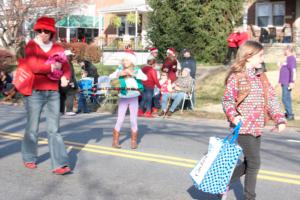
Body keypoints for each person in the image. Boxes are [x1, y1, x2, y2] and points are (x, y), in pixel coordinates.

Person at [222, 40, 286, 200]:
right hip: (243, 128)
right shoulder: (237, 77)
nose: (262, 59)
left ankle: (221, 181)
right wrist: (234, 115)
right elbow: (227, 100)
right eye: (260, 55)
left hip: (257, 127)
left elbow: (271, 98)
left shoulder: (260, 76)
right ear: (248, 56)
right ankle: (249, 198)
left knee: (250, 163)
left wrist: (280, 119)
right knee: (254, 163)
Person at [21, 16, 71, 175]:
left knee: (54, 129)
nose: (43, 33)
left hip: (53, 93)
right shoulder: (31, 45)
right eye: (40, 30)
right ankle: (29, 157)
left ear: (52, 32)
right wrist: (52, 67)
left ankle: (59, 164)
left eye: (47, 31)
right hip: (35, 92)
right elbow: (34, 66)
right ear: (37, 30)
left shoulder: (57, 48)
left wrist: (65, 77)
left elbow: (65, 66)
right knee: (32, 128)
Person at [109, 51, 147, 149]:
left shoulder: (136, 69)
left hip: (134, 96)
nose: (124, 61)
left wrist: (133, 74)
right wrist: (118, 74)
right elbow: (110, 76)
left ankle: (133, 141)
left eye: (126, 60)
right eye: (124, 60)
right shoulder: (120, 69)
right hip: (123, 96)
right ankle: (115, 141)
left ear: (132, 61)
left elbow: (145, 78)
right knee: (120, 119)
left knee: (133, 120)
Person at [278, 45, 297, 120]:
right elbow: (285, 69)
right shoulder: (287, 59)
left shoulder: (291, 58)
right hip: (284, 82)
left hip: (287, 82)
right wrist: (280, 66)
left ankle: (290, 114)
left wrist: (292, 81)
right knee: (286, 98)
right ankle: (288, 113)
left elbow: (293, 71)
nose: (283, 51)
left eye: (284, 50)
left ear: (288, 50)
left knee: (285, 98)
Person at [59, 50, 78, 116]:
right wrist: (71, 82)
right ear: (67, 56)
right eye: (70, 56)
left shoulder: (61, 62)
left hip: (61, 81)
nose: (71, 57)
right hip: (67, 81)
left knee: (62, 96)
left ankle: (60, 111)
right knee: (70, 95)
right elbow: (70, 73)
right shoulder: (68, 63)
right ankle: (69, 110)